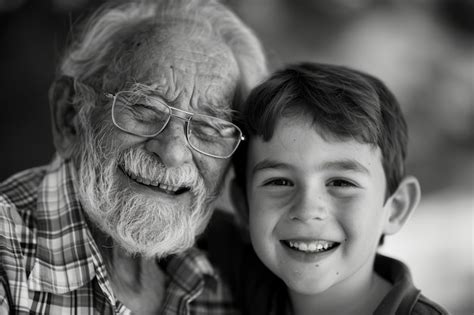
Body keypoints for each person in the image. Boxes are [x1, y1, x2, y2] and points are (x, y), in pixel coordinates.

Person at [0, 0, 267, 313]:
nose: (172, 152)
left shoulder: (233, 270)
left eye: (208, 128)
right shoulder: (7, 255)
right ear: (70, 114)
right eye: (144, 108)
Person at [231, 62, 450, 314]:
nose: (307, 209)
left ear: (395, 208)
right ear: (243, 206)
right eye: (279, 182)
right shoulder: (228, 274)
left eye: (341, 183)